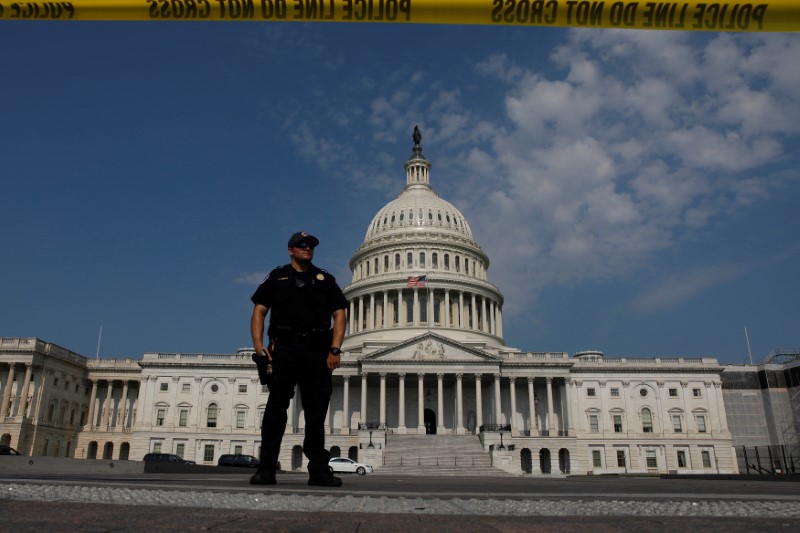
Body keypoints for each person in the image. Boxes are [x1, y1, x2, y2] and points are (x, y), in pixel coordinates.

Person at [249, 231, 348, 487]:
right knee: (275, 411)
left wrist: (335, 349)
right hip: (284, 349)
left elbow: (339, 313)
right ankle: (266, 469)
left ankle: (318, 470)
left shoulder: (325, 279)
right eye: (302, 245)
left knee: (316, 414)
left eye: (311, 245)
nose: (307, 248)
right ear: (291, 250)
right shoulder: (277, 277)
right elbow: (260, 310)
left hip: (316, 351)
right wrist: (259, 347)